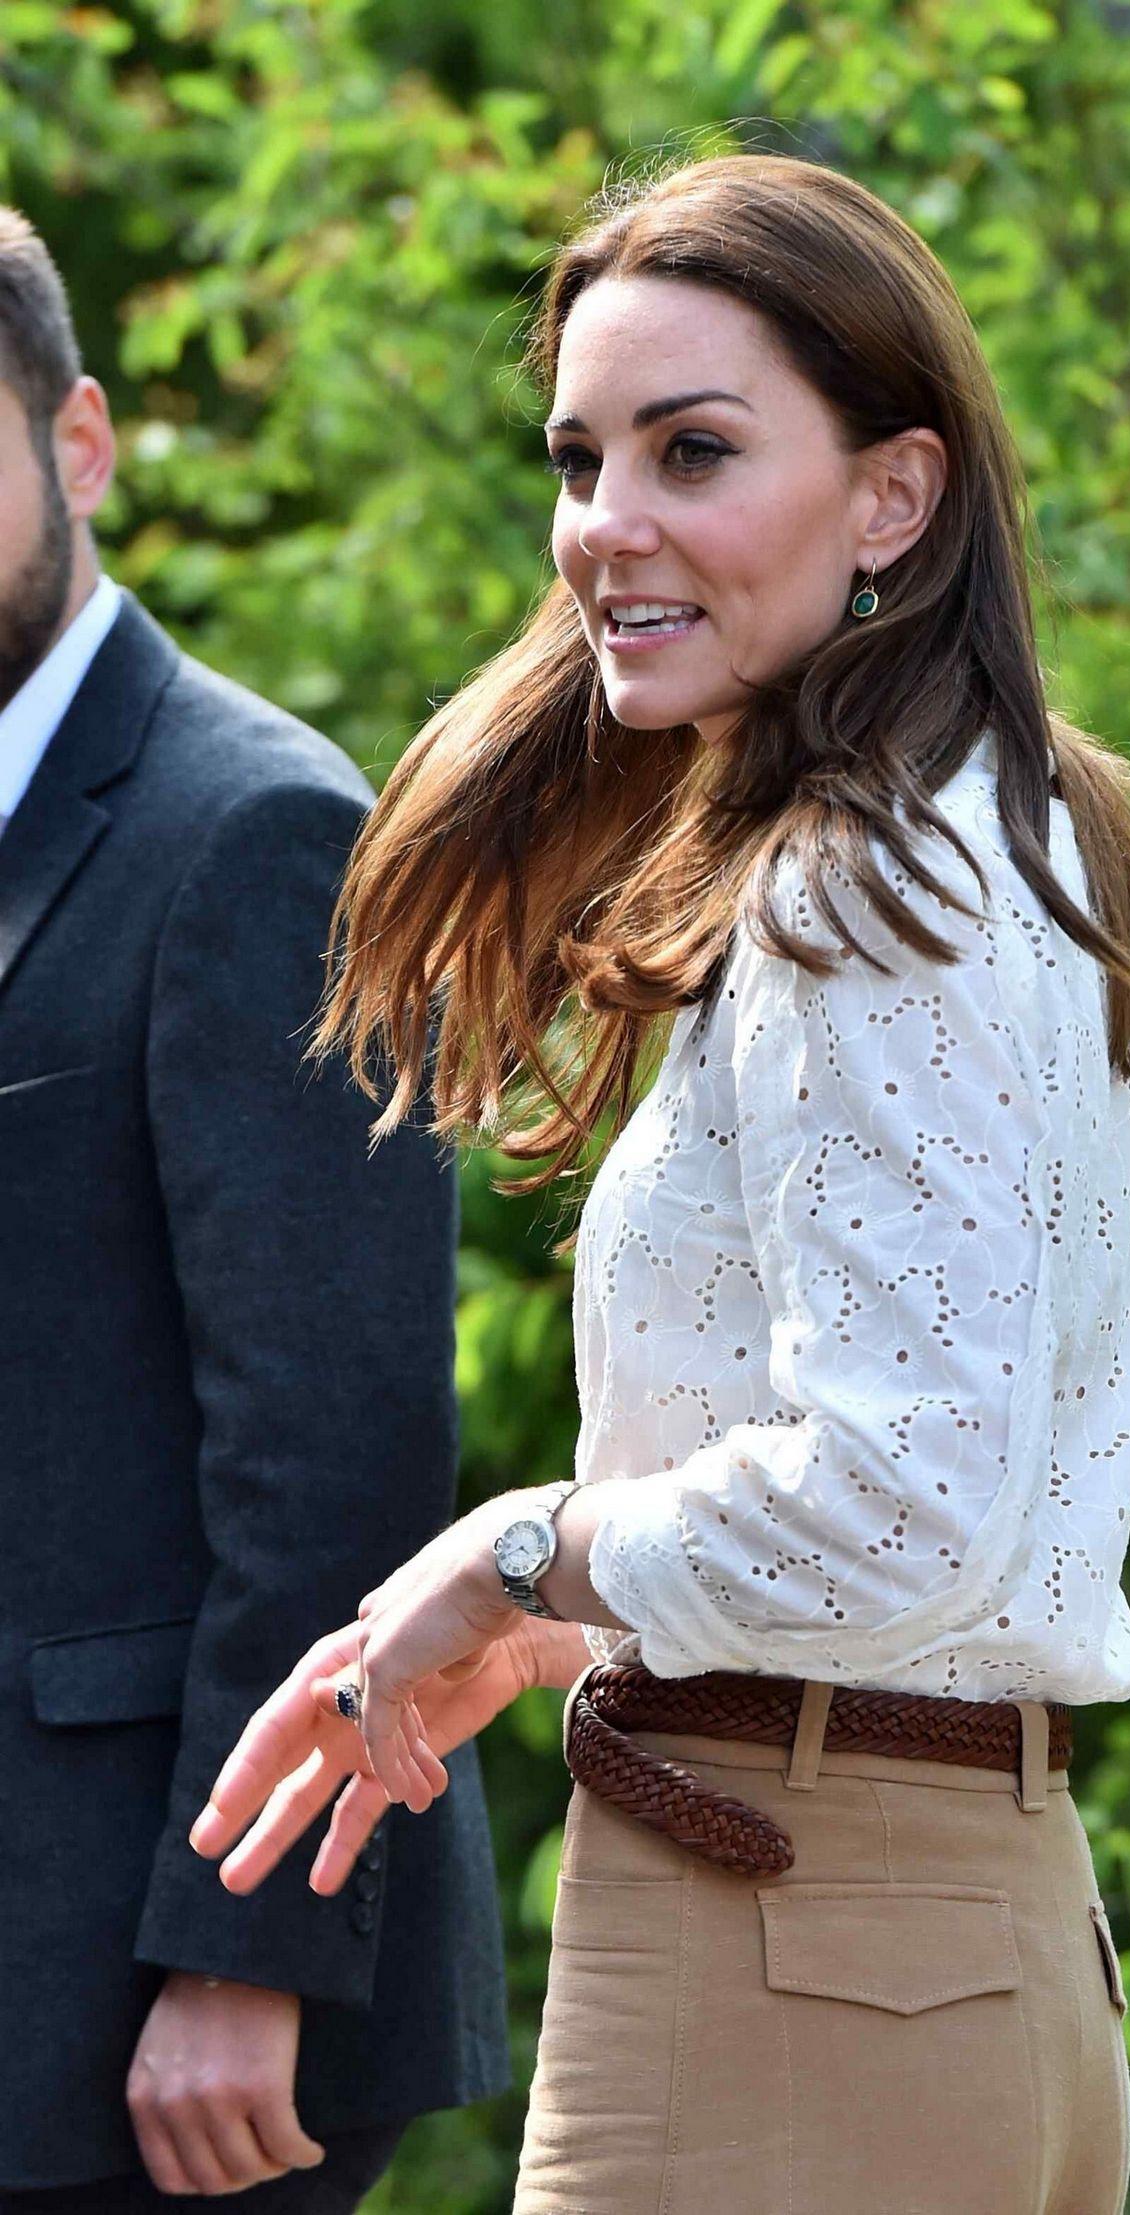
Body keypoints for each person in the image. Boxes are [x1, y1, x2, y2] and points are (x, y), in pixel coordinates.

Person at [191, 153, 1130, 2213]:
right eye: (579, 459)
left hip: (798, 1949)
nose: (606, 527)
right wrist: (595, 1617)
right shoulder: (1010, 834)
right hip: (964, 1948)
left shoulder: (874, 883)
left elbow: (907, 1496)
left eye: (694, 450)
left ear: (893, 497)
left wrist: (514, 1556)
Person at [0, 208, 510, 2210]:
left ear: (84, 441)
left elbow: (341, 1446)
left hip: (157, 1995)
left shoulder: (258, 828)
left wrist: (249, 1949)